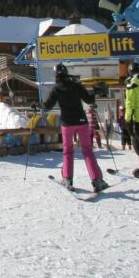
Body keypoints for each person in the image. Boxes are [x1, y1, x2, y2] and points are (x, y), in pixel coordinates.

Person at [44, 63, 108, 192]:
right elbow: (89, 100)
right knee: (87, 151)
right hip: (81, 121)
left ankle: (67, 179)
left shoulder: (56, 89)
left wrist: (38, 106)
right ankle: (97, 180)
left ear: (56, 75)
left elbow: (48, 106)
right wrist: (95, 92)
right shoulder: (76, 85)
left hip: (67, 123)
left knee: (68, 152)